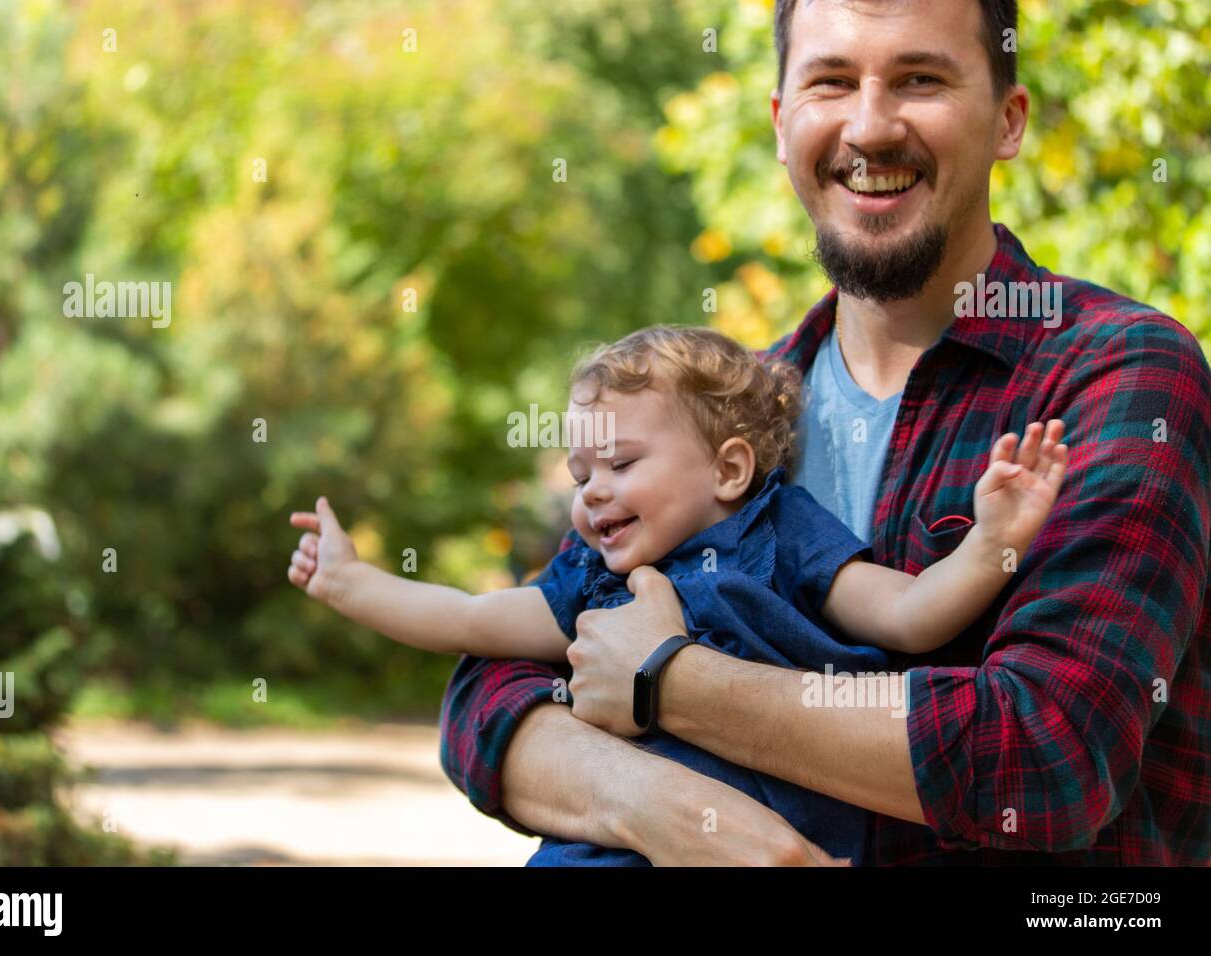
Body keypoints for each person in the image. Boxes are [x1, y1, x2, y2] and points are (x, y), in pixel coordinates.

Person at [434, 0, 1211, 865]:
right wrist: (657, 803)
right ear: (780, 122)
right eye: (831, 82)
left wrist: (668, 681)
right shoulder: (727, 409)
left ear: (1008, 120)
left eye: (921, 79)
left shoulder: (1118, 374)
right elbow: (489, 696)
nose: (870, 127)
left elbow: (1048, 757)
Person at [286, 325, 1068, 864]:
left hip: (787, 842)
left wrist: (993, 539)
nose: (593, 494)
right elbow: (471, 621)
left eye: (621, 465)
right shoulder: (597, 578)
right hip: (608, 850)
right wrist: (353, 583)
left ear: (728, 470)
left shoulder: (783, 535)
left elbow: (911, 614)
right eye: (580, 476)